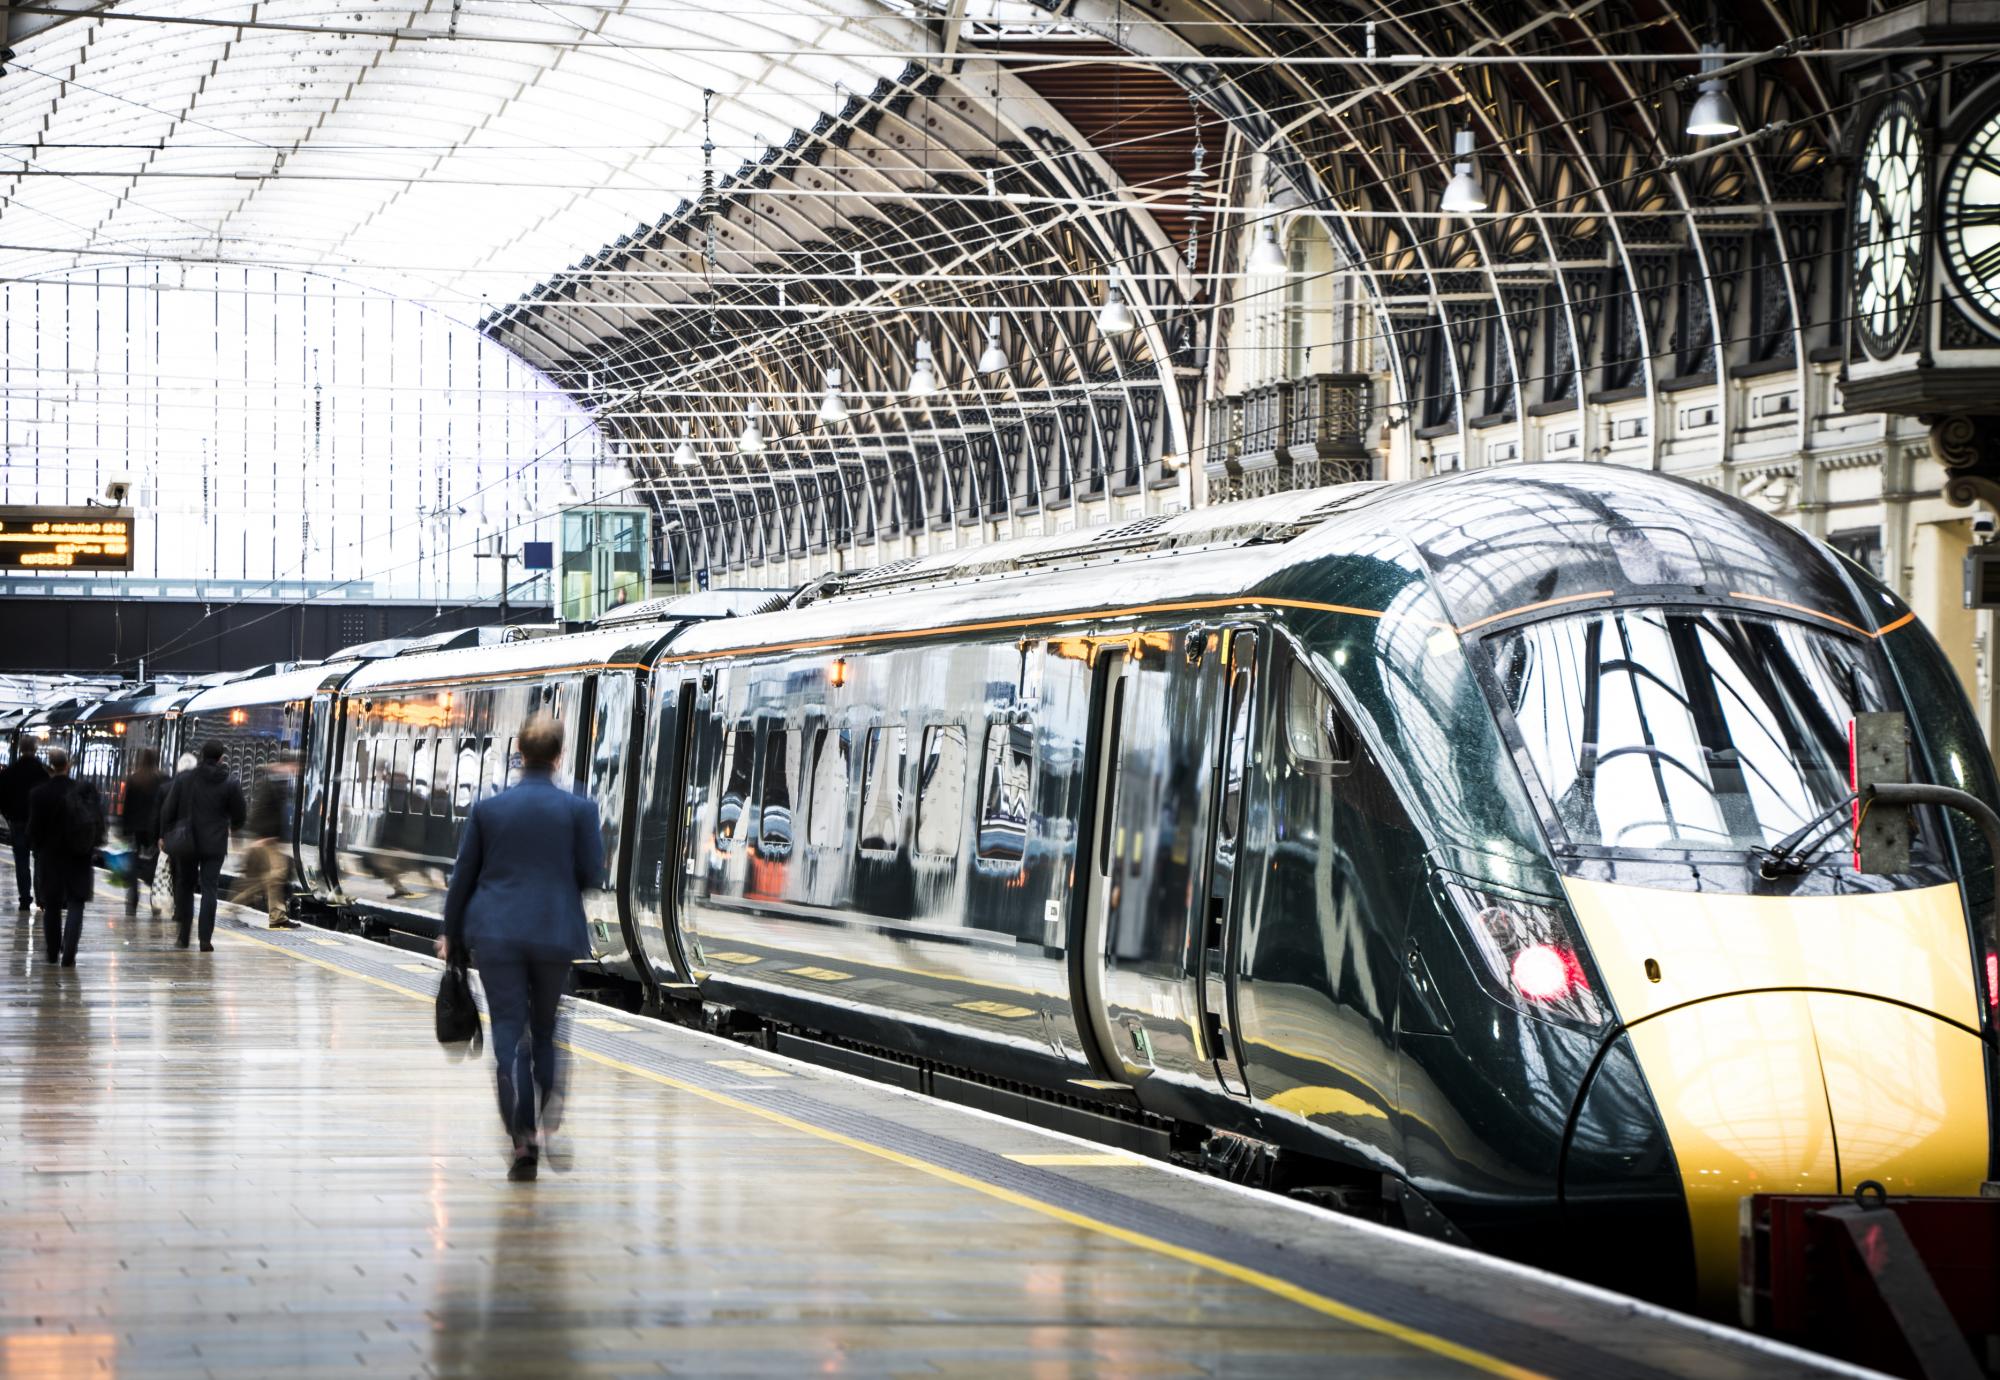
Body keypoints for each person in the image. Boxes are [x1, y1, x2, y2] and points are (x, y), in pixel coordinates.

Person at [440, 715, 602, 1182]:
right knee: (546, 1031)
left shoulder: (490, 810)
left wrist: (452, 934)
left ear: (518, 753)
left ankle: (522, 1141)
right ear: (557, 756)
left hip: (496, 936)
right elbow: (592, 875)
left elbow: (463, 878)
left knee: (509, 1033)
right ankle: (550, 1115)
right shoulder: (579, 810)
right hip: (553, 934)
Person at [158, 739, 246, 952]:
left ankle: (183, 936)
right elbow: (240, 814)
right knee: (209, 889)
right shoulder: (230, 782)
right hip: (214, 844)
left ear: (201, 755)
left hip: (187, 842)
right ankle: (205, 939)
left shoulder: (185, 779)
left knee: (185, 886)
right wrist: (232, 826)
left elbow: (168, 809)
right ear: (221, 758)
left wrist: (163, 835)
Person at [25, 747, 105, 967]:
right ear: (67, 766)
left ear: (50, 767)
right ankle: (69, 951)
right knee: (76, 903)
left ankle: (52, 953)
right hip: (79, 855)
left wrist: (38, 848)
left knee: (52, 905)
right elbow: (98, 823)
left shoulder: (38, 794)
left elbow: (33, 831)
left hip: (51, 858)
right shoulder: (84, 791)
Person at [235, 752, 301, 929]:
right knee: (276, 875)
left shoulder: (279, 781)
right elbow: (259, 809)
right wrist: (262, 836)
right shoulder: (272, 782)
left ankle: (275, 916)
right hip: (266, 838)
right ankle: (275, 916)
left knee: (269, 878)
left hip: (271, 838)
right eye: (295, 766)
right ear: (288, 764)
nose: (297, 770)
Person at [0, 738, 50, 912]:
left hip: (17, 822)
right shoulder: (44, 772)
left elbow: (2, 798)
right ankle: (41, 897)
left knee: (21, 860)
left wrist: (8, 815)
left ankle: (24, 899)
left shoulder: (9, 772)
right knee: (39, 859)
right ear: (35, 749)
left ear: (20, 750)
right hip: (39, 823)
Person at [120, 748, 166, 919]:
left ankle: (132, 901)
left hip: (135, 830)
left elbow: (127, 807)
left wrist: (124, 830)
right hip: (155, 831)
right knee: (156, 868)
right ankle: (155, 903)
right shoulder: (163, 779)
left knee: (133, 866)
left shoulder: (134, 779)